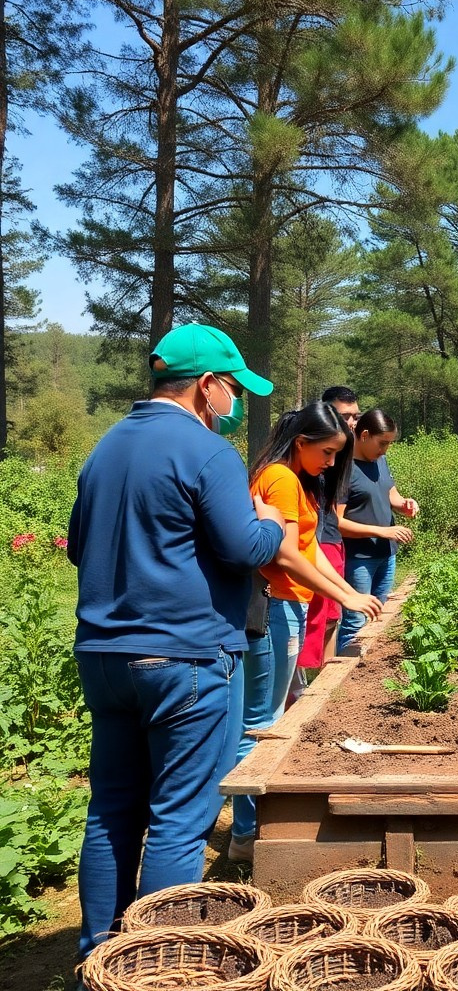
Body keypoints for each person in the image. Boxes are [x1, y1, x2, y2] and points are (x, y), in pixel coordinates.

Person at [68, 323, 285, 958]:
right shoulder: (207, 452)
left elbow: (80, 548)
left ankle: (97, 957)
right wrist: (271, 523)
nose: (234, 403)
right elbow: (243, 548)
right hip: (183, 657)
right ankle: (157, 963)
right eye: (233, 389)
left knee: (111, 811)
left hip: (104, 657)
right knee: (179, 821)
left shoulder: (106, 447)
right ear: (207, 386)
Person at [230, 403, 383, 861]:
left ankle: (250, 828)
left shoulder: (293, 479)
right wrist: (345, 597)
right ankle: (246, 834)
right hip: (273, 607)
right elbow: (285, 555)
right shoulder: (279, 478)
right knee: (261, 722)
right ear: (301, 442)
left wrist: (345, 592)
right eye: (328, 452)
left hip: (287, 605)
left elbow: (309, 547)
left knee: (270, 713)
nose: (331, 463)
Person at [335, 409, 420, 650]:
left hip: (386, 555)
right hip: (359, 559)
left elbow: (391, 495)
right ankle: (345, 668)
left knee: (377, 618)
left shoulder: (379, 461)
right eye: (382, 443)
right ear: (364, 435)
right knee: (356, 621)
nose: (385, 450)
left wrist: (405, 504)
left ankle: (364, 667)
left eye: (389, 444)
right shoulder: (344, 468)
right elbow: (337, 522)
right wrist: (382, 531)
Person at [297, 386, 361, 670]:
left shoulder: (333, 462)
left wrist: (346, 592)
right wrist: (348, 594)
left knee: (330, 618)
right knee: (311, 622)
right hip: (314, 549)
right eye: (345, 416)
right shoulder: (288, 476)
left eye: (355, 416)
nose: (351, 423)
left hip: (328, 544)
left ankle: (321, 675)